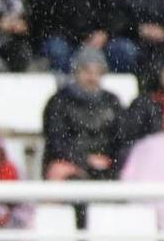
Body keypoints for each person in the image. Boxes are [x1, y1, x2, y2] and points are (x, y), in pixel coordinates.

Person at [42, 46, 126, 180]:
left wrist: (110, 160)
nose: (92, 77)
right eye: (87, 71)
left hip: (106, 163)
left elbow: (121, 139)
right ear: (76, 72)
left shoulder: (112, 102)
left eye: (97, 72)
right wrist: (85, 160)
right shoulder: (60, 102)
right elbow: (56, 142)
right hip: (70, 164)